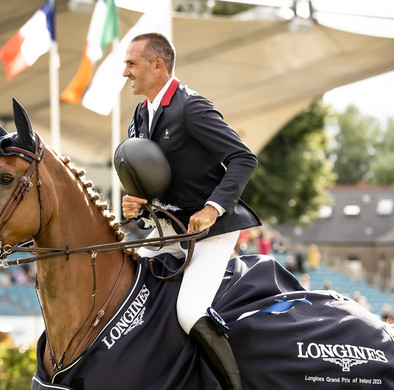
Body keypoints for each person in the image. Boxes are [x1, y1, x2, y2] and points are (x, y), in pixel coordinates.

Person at [121, 32, 260, 390]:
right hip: (168, 226)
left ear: (157, 65)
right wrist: (135, 202)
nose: (126, 73)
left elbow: (243, 158)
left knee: (189, 311)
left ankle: (234, 386)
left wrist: (213, 209)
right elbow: (153, 178)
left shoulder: (192, 108)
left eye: (131, 64)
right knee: (126, 293)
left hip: (211, 228)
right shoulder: (140, 114)